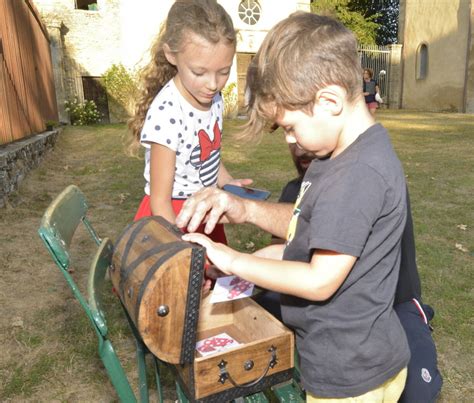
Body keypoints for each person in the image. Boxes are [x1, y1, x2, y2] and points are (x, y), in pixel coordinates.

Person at [178, 12, 411, 401]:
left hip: (349, 376)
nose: (289, 141)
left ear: (330, 100)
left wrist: (234, 260)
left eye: (289, 126)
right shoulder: (339, 158)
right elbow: (300, 246)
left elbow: (319, 280)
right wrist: (242, 261)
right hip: (365, 359)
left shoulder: (355, 175)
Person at [256, 141, 443, 402]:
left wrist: (246, 213)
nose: (298, 149)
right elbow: (281, 256)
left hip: (392, 307)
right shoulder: (295, 190)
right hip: (323, 306)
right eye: (290, 138)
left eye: (298, 130)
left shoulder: (365, 178)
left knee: (415, 392)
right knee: (255, 313)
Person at [128, 0, 251, 243]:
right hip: (172, 219)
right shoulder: (167, 114)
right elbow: (159, 201)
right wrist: (181, 249)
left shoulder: (213, 97)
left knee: (215, 278)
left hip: (202, 209)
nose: (213, 84)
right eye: (199, 72)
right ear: (171, 55)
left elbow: (208, 153)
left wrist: (226, 181)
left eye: (224, 71)